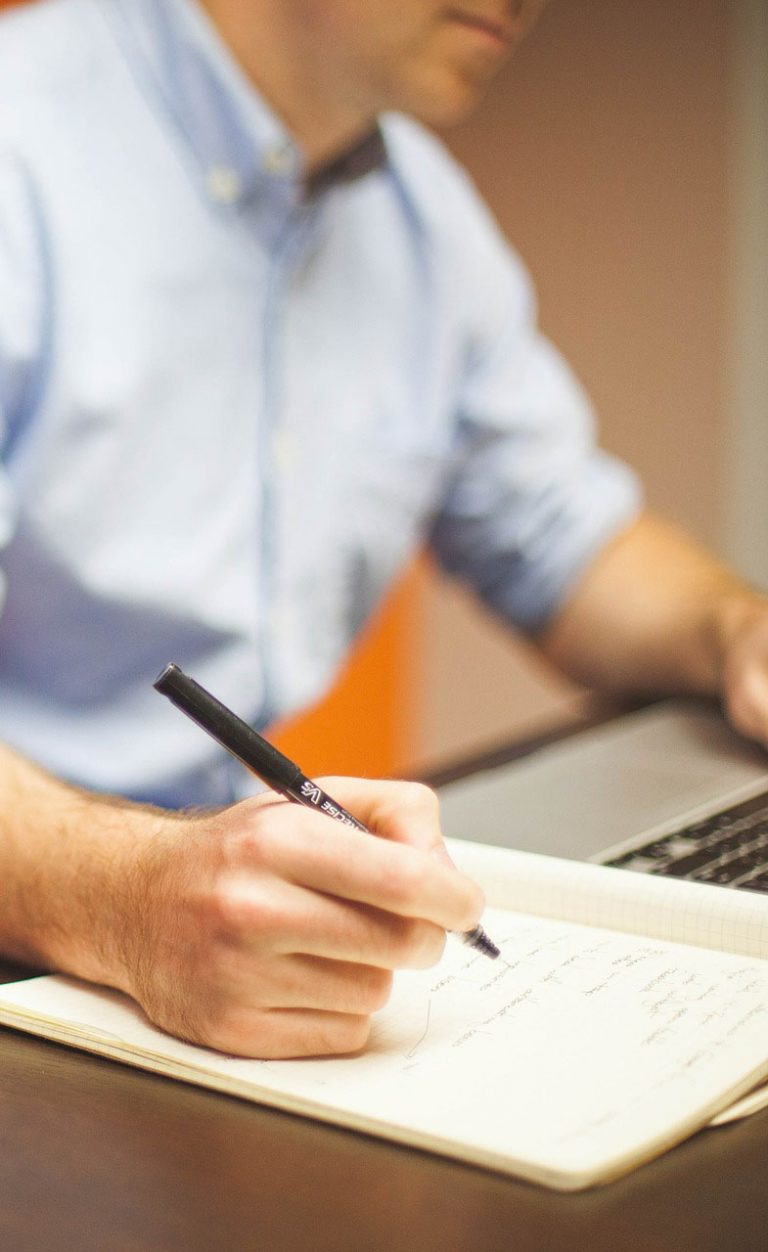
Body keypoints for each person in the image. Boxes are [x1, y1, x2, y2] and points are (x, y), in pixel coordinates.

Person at [1, 0, 767, 1060]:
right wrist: (119, 895)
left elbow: (562, 536)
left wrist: (735, 631)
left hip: (195, 956)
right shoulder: (19, 142)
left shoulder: (419, 219)